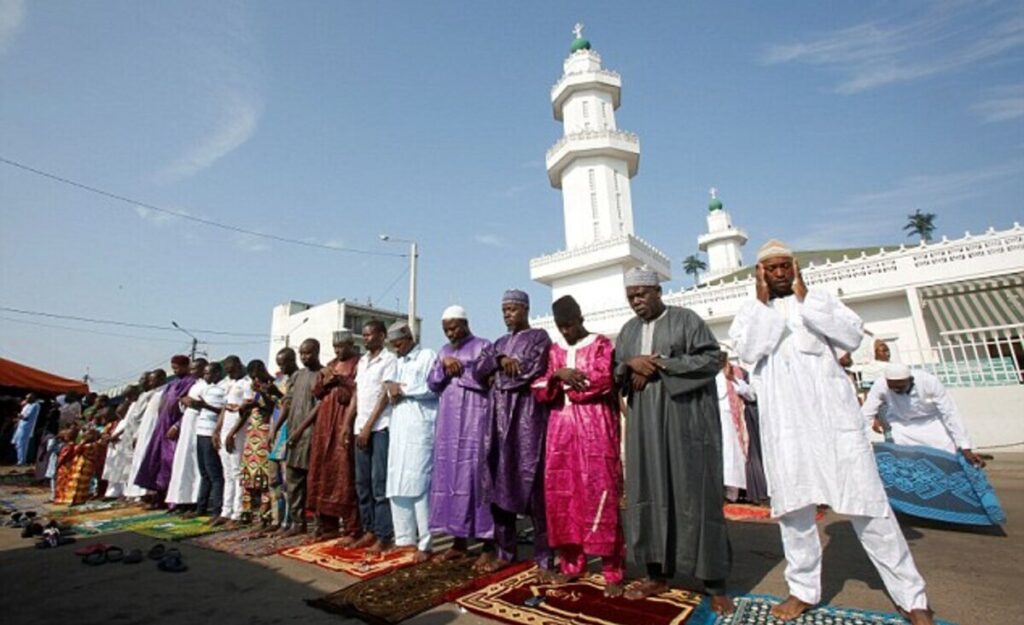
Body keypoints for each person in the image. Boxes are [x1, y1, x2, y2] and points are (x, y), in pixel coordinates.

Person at [729, 239, 933, 624]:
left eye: (784, 266)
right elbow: (750, 351)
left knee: (870, 507)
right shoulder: (750, 312)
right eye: (769, 268)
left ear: (795, 268)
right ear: (759, 273)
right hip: (786, 428)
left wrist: (807, 299)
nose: (778, 274)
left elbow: (852, 337)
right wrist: (761, 303)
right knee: (794, 513)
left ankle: (912, 596)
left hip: (833, 424)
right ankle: (802, 591)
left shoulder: (819, 300)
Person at [614, 268, 733, 613]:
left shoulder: (686, 320)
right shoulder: (628, 331)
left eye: (641, 294)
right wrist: (630, 365)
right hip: (644, 429)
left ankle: (715, 582)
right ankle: (656, 574)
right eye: (631, 296)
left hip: (685, 425)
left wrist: (663, 365)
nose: (636, 301)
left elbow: (712, 358)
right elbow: (615, 371)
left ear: (657, 291)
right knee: (649, 493)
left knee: (695, 494)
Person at [532, 295, 625, 597]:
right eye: (561, 327)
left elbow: (602, 380)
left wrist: (567, 386)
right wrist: (559, 376)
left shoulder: (601, 344)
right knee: (564, 497)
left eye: (570, 325)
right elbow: (540, 386)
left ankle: (613, 571)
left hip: (596, 428)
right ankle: (572, 565)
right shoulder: (556, 351)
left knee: (601, 494)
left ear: (581, 319)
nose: (566, 332)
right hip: (561, 433)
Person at [474, 289, 554, 576]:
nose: (507, 314)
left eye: (512, 309)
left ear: (526, 309)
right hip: (497, 420)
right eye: (504, 310)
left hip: (526, 418)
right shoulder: (498, 344)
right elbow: (477, 371)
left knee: (533, 489)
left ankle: (545, 558)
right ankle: (505, 552)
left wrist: (501, 377)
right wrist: (497, 363)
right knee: (498, 483)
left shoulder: (539, 338)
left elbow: (532, 370)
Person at [427, 305, 495, 565]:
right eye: (445, 329)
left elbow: (488, 379)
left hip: (475, 423)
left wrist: (460, 368)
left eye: (454, 327)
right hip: (448, 427)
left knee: (477, 481)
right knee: (451, 481)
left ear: (465, 324)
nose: (450, 333)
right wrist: (444, 366)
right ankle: (458, 543)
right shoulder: (443, 352)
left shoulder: (483, 346)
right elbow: (432, 383)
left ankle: (489, 544)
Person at [384, 321, 438, 563]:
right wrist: (391, 388)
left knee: (419, 483)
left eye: (399, 344)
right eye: (393, 346)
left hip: (420, 426)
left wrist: (402, 389)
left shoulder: (427, 356)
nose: (396, 349)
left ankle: (426, 543)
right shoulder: (397, 361)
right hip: (399, 427)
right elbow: (388, 387)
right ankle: (404, 538)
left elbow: (433, 387)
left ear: (408, 337)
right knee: (397, 481)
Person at [863, 363, 983, 465]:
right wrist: (864, 442)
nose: (896, 391)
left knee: (947, 461)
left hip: (933, 424)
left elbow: (950, 413)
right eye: (893, 388)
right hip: (902, 427)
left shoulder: (929, 381)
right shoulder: (880, 385)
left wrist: (965, 446)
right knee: (909, 465)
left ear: (910, 380)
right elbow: (866, 414)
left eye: (900, 387)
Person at [302, 331, 360, 541]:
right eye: (335, 347)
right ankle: (328, 526)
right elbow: (316, 392)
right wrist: (325, 380)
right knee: (322, 471)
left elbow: (359, 390)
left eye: (342, 346)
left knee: (345, 474)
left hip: (345, 420)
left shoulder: (358, 364)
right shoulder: (330, 363)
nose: (338, 350)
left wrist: (341, 380)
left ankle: (354, 528)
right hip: (325, 423)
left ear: (351, 345)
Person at [351, 320, 397, 553]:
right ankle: (368, 529)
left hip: (379, 428)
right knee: (362, 483)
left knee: (379, 483)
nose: (366, 338)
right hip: (360, 427)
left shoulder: (389, 359)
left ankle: (384, 535)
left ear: (382, 335)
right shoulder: (362, 362)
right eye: (364, 335)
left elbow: (384, 396)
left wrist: (369, 426)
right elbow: (358, 395)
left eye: (370, 335)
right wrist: (348, 424)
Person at [136, 355, 196, 505]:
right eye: (173, 368)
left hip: (175, 428)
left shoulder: (191, 383)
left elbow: (188, 408)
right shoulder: (172, 384)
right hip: (161, 427)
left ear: (185, 366)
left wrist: (177, 425)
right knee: (156, 460)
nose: (175, 371)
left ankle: (173, 499)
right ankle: (158, 495)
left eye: (177, 368)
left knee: (170, 462)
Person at [281, 339, 323, 535]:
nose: (305, 357)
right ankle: (298, 523)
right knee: (293, 482)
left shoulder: (322, 374)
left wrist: (300, 430)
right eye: (302, 354)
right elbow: (288, 403)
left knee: (314, 482)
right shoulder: (297, 376)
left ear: (317, 352)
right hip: (293, 435)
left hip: (311, 435)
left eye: (308, 353)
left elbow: (319, 406)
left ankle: (320, 524)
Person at [235, 359, 282, 528]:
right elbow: (248, 411)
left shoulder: (273, 384)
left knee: (264, 476)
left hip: (266, 431)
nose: (254, 379)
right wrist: (244, 407)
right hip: (252, 431)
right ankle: (246, 512)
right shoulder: (255, 387)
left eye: (256, 376)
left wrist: (261, 395)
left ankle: (265, 514)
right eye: (252, 377)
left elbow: (272, 406)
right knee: (249, 474)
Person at [212, 356, 254, 527]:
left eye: (231, 368)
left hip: (238, 433)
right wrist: (217, 429)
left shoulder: (247, 383)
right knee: (227, 473)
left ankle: (238, 513)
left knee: (237, 473)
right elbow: (225, 407)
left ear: (238, 365)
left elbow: (246, 411)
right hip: (225, 431)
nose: (229, 371)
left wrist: (232, 433)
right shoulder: (227, 383)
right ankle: (226, 511)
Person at [167, 359, 209, 512]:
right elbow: (184, 406)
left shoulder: (207, 386)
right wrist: (183, 401)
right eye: (191, 369)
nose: (192, 372)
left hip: (199, 427)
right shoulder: (195, 385)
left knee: (194, 465)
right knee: (182, 464)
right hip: (187, 426)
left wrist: (193, 403)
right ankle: (180, 500)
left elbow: (208, 406)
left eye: (195, 369)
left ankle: (193, 501)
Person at [715, 352, 755, 502]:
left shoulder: (735, 374)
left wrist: (733, 379)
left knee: (733, 457)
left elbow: (751, 394)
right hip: (714, 421)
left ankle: (734, 493)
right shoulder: (708, 376)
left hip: (733, 422)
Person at [124, 369, 168, 500]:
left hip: (155, 431)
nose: (150, 382)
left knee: (150, 460)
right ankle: (139, 492)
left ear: (161, 379)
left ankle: (149, 494)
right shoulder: (151, 394)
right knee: (139, 460)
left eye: (152, 379)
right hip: (144, 431)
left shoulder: (165, 391)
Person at [268, 347, 298, 531]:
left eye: (283, 363)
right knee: (274, 479)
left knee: (288, 480)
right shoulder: (279, 379)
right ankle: (275, 519)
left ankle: (289, 521)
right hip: (275, 431)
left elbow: (289, 404)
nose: (281, 367)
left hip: (288, 431)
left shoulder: (298, 378)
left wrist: (276, 428)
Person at [194, 362, 228, 519]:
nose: (205, 376)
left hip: (210, 433)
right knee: (204, 473)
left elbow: (223, 411)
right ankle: (201, 507)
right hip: (200, 432)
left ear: (217, 373)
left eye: (208, 373)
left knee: (214, 473)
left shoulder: (223, 388)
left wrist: (205, 406)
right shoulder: (207, 388)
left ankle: (216, 509)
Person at [102, 383, 148, 498]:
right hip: (125, 439)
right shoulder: (132, 404)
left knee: (132, 466)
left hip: (134, 437)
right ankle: (122, 492)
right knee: (122, 467)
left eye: (129, 395)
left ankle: (136, 494)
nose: (128, 399)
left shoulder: (141, 402)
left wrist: (116, 435)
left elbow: (130, 423)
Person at [12, 393, 40, 466]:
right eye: (26, 398)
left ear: (33, 398)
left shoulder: (35, 405)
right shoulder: (26, 405)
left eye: (28, 398)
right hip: (20, 426)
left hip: (26, 428)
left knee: (22, 444)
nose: (26, 399)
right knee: (17, 443)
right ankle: (19, 459)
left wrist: (18, 415)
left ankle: (22, 461)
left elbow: (26, 417)